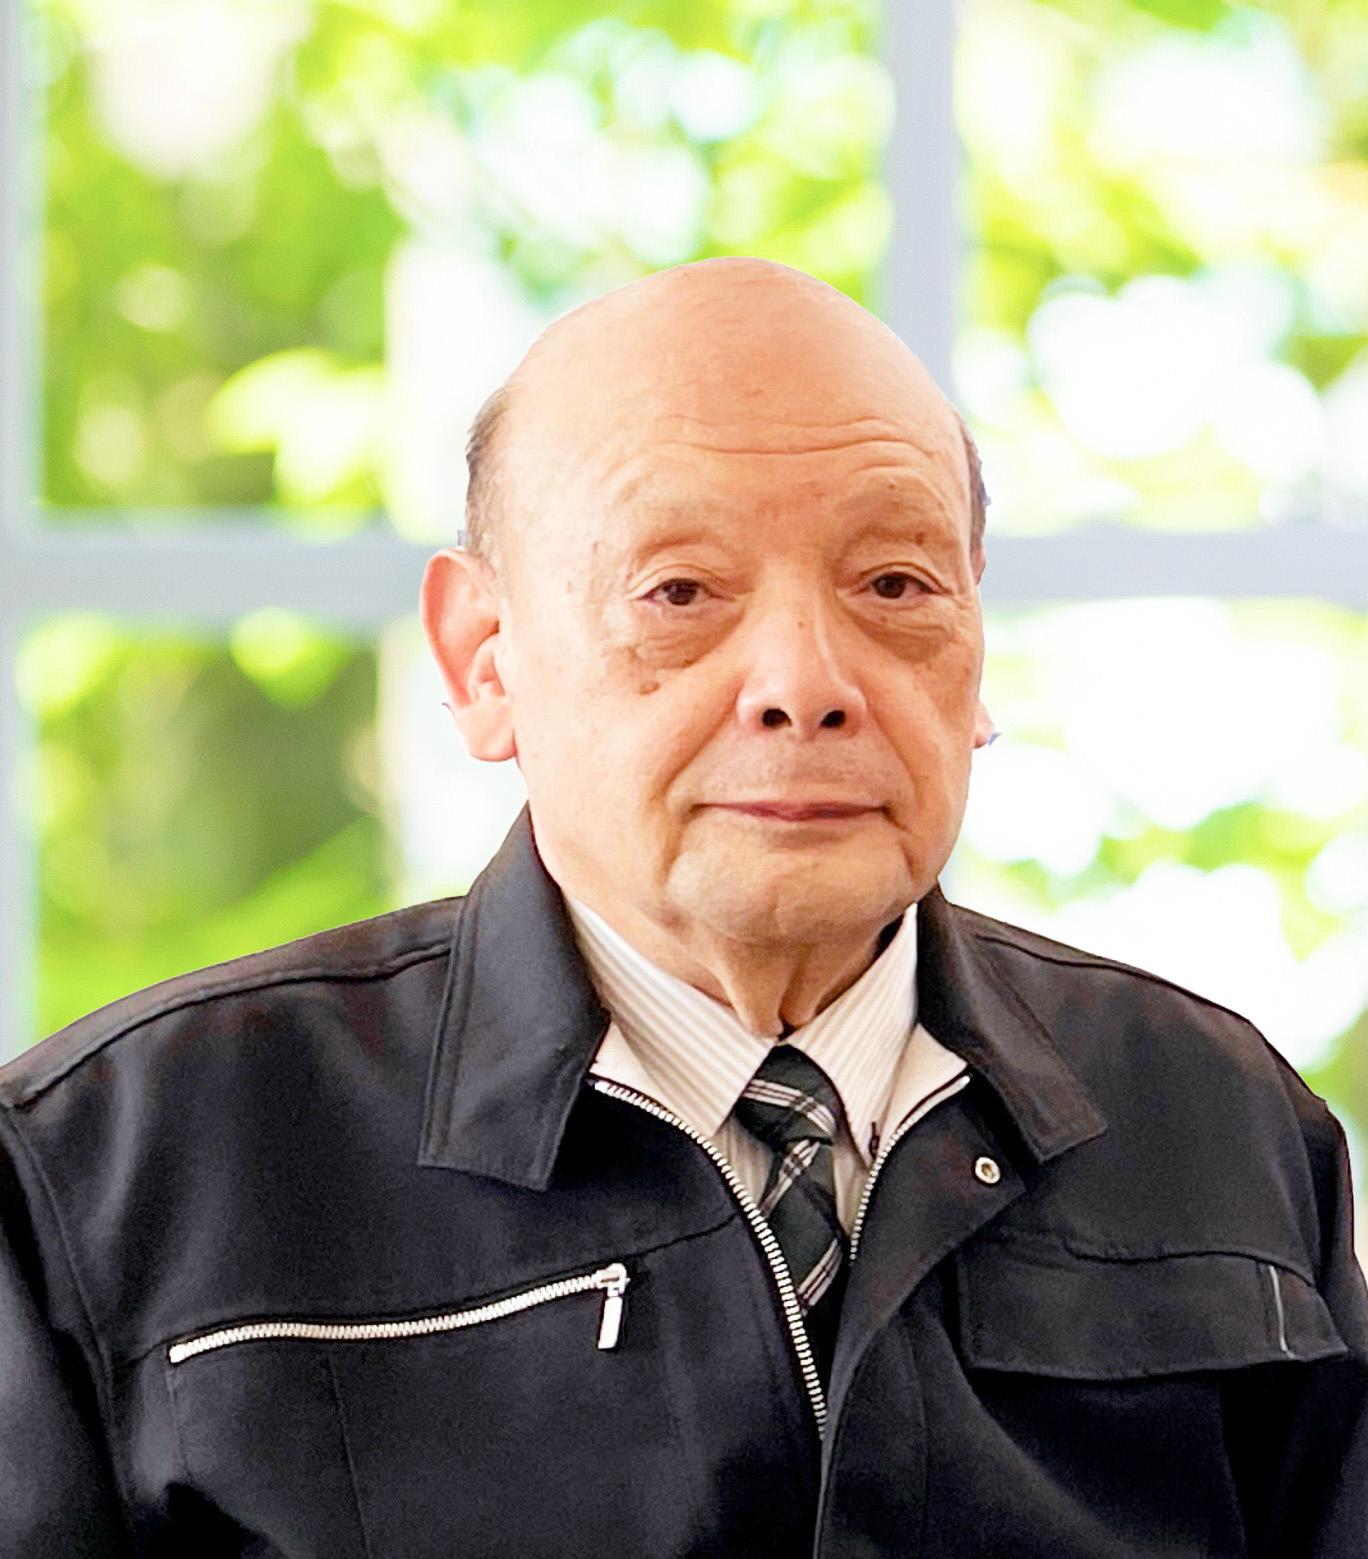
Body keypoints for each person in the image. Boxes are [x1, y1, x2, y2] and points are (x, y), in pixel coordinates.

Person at [1, 256, 1364, 1557]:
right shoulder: (114, 1173)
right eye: (680, 593)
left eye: (895, 585)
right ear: (484, 662)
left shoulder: (1220, 1123)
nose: (806, 684)